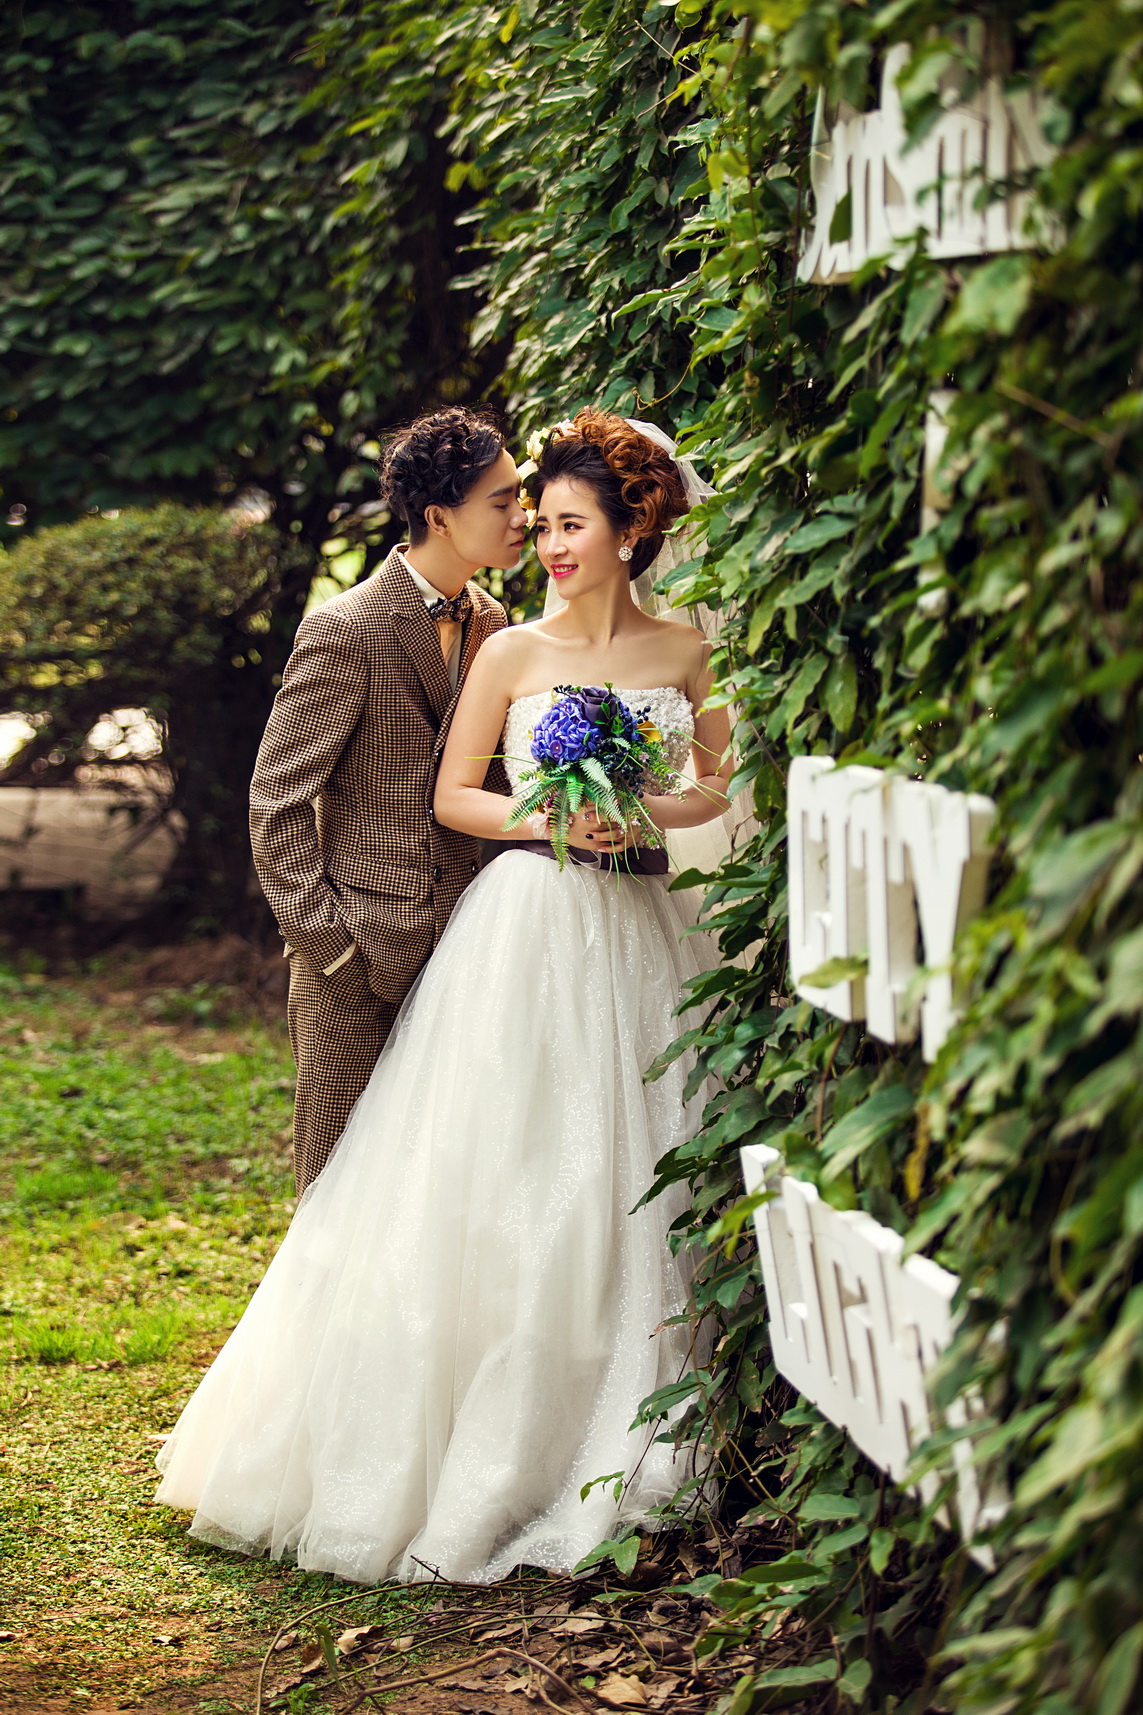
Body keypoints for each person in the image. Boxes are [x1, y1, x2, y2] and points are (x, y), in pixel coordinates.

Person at [156, 410, 733, 1586]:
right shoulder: (489, 645)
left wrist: (635, 807)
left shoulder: (665, 649)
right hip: (500, 927)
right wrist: (548, 815)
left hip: (627, 923)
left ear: (631, 531)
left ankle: (597, 1417)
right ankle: (369, 1423)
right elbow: (439, 794)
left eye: (565, 522)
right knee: (428, 1178)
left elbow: (716, 784)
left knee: (615, 1171)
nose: (542, 536)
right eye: (531, 515)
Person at [249, 406, 527, 1191]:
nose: (523, 514)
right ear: (440, 516)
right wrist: (329, 947)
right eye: (502, 500)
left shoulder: (494, 623)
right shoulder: (344, 629)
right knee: (334, 1178)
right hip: (356, 956)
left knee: (433, 1181)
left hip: (464, 952)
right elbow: (276, 801)